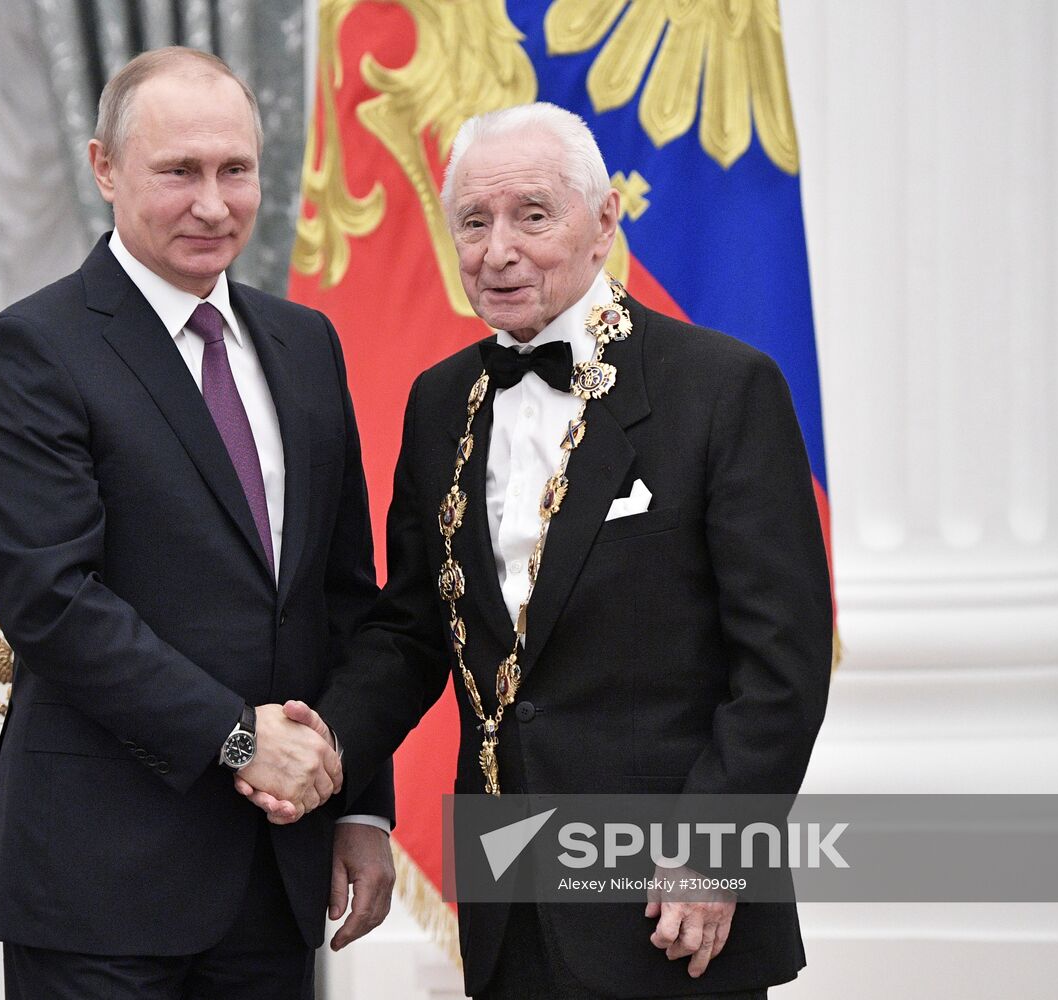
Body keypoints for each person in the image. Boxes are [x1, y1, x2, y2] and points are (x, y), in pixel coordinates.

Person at [241, 102, 833, 998]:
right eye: (473, 223)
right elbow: (408, 632)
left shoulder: (722, 388)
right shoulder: (439, 404)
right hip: (508, 887)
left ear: (603, 225)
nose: (497, 249)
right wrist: (328, 750)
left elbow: (782, 664)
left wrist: (719, 849)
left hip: (672, 899)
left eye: (532, 215)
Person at [0, 47, 394, 1000]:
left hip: (275, 880)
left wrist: (359, 807)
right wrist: (239, 739)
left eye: (235, 169)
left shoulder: (305, 343)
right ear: (104, 168)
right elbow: (53, 602)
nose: (213, 202)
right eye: (179, 171)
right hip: (101, 886)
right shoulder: (33, 349)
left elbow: (341, 600)